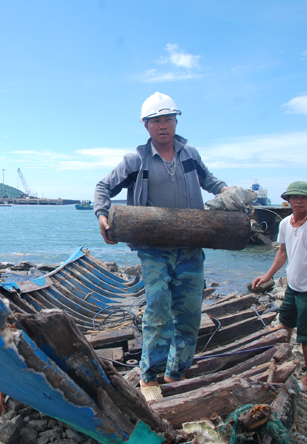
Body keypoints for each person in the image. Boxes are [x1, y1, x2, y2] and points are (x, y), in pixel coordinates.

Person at [94, 92, 228, 402]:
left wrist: (229, 192)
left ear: (176, 121)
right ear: (146, 125)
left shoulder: (190, 154)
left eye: (168, 119)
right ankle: (150, 376)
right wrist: (102, 214)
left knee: (190, 313)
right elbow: (104, 187)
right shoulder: (136, 160)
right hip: (154, 249)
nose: (163, 125)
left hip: (191, 248)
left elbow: (211, 181)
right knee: (157, 310)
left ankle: (176, 373)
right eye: (156, 120)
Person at [253, 181, 307, 391]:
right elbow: (282, 252)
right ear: (287, 201)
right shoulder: (286, 223)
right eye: (295, 198)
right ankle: (281, 365)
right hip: (293, 287)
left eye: (304, 198)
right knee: (285, 325)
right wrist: (268, 275)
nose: (299, 201)